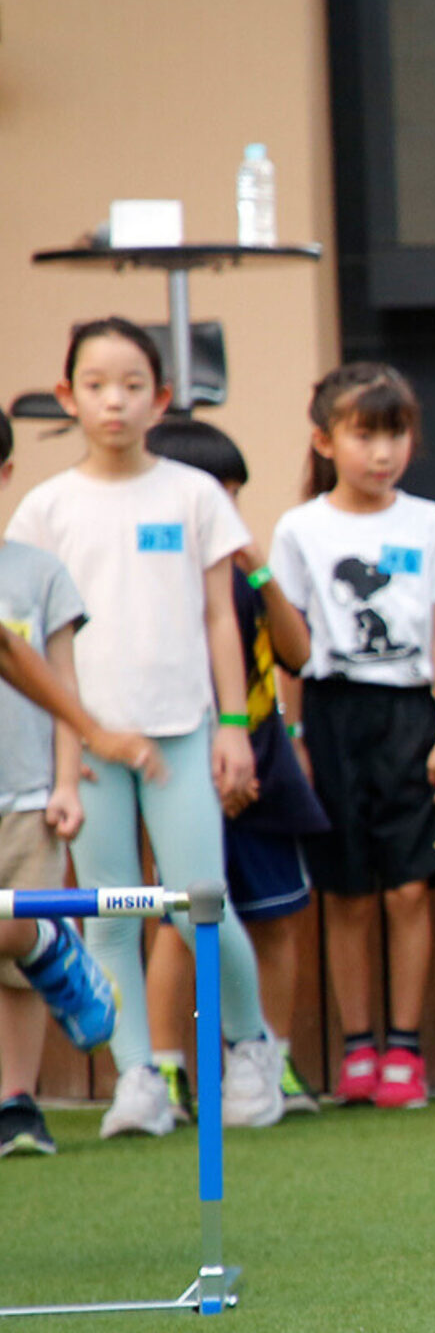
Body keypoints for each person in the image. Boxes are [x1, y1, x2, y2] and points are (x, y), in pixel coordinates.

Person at [8, 318, 277, 1137]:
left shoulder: (192, 494)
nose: (113, 401)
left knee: (203, 903)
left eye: (132, 385)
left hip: (182, 732)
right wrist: (68, 741)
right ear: (67, 397)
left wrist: (232, 723)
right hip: (88, 743)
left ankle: (252, 1049)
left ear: (161, 397)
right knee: (111, 916)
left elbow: (221, 618)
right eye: (95, 385)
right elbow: (26, 635)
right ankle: (139, 1077)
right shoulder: (46, 508)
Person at [269, 366, 435, 1109]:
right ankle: (359, 1048)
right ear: (325, 441)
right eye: (364, 434)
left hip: (408, 712)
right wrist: (291, 735)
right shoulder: (300, 527)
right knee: (349, 891)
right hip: (329, 712)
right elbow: (286, 643)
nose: (382, 451)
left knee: (410, 887)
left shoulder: (429, 523)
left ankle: (406, 1048)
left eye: (394, 433)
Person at [140, 415, 333, 1116]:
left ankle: (268, 1059)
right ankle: (165, 1071)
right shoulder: (157, 583)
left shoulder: (247, 574)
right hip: (185, 768)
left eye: (234, 496)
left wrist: (261, 569)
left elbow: (299, 652)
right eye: (214, 495)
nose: (226, 512)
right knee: (180, 922)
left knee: (278, 916)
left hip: (266, 764)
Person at [0, 402, 166, 1157]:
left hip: (26, 788)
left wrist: (92, 735)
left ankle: (40, 944)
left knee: (11, 931)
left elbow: (12, 653)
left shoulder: (32, 573)